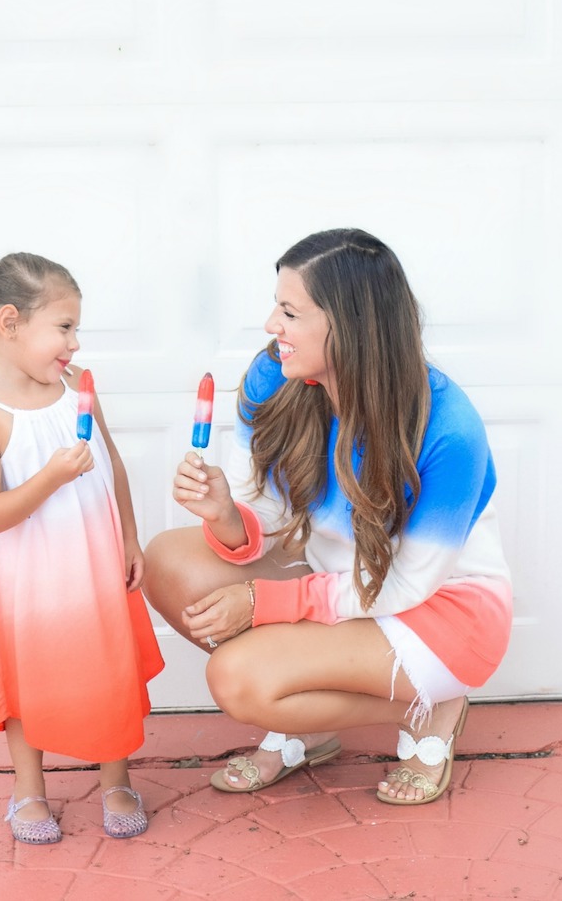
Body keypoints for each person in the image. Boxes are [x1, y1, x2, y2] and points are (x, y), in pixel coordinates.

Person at [144, 228, 512, 805]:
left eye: (289, 312)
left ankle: (434, 701)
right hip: (339, 582)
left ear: (348, 326)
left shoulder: (449, 428)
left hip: (436, 612)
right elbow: (265, 508)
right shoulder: (277, 378)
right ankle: (310, 719)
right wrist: (225, 516)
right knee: (169, 562)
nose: (271, 326)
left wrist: (266, 605)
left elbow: (408, 584)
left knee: (239, 680)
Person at [0, 252, 163, 842]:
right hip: (28, 579)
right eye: (64, 327)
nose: (74, 342)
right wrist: (50, 476)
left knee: (109, 668)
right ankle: (28, 789)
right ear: (10, 323)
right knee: (28, 680)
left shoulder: (78, 389)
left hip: (94, 563)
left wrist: (128, 536)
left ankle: (116, 779)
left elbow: (112, 464)